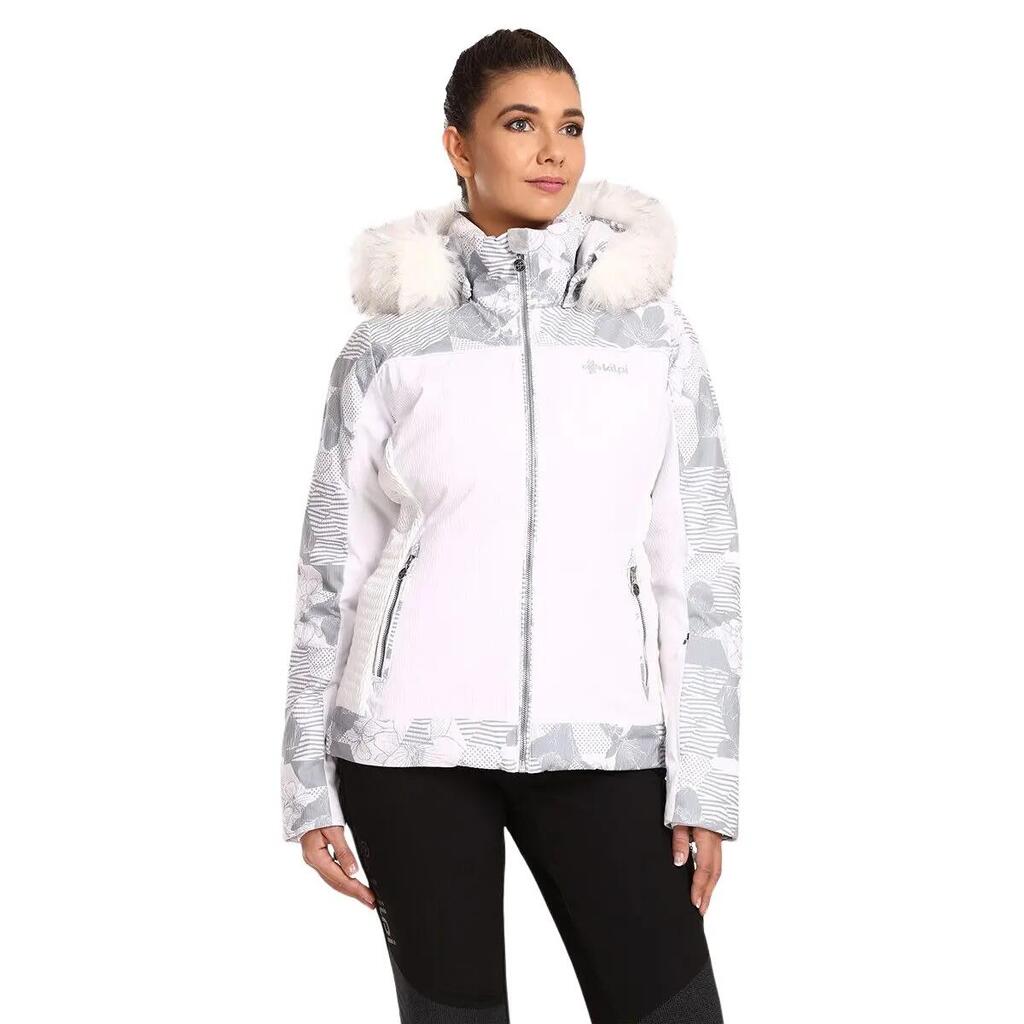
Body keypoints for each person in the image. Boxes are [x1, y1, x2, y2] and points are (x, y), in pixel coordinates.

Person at [279, 27, 741, 1024]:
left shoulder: (651, 333)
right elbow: (331, 569)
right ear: (459, 145)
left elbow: (696, 566)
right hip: (409, 749)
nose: (551, 151)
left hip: (605, 739)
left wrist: (704, 778)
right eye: (520, 123)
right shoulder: (392, 341)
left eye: (570, 126)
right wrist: (307, 779)